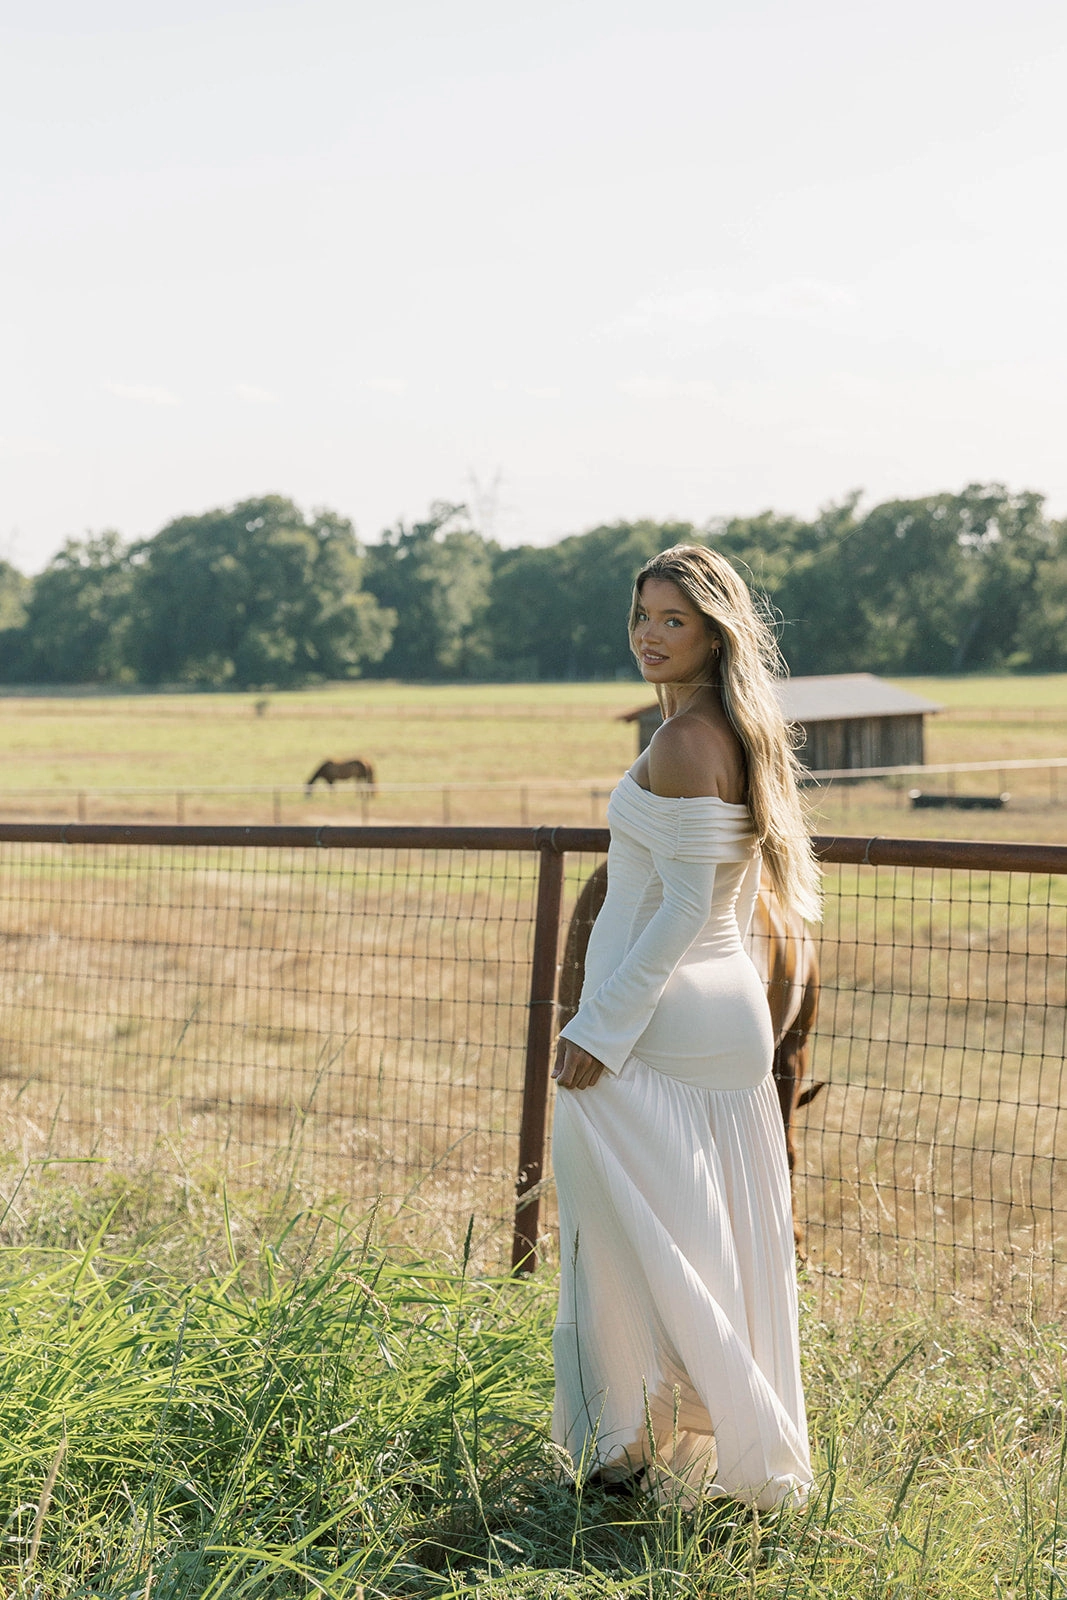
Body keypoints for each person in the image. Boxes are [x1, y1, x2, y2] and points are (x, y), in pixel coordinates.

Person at [550, 543, 820, 1511]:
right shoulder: (730, 730)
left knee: (624, 1228)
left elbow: (674, 910)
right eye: (641, 618)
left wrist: (599, 1027)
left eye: (673, 620)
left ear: (714, 631)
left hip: (661, 1015)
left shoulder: (682, 742)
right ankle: (673, 1448)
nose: (649, 637)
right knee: (695, 1236)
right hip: (720, 1009)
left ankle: (635, 1450)